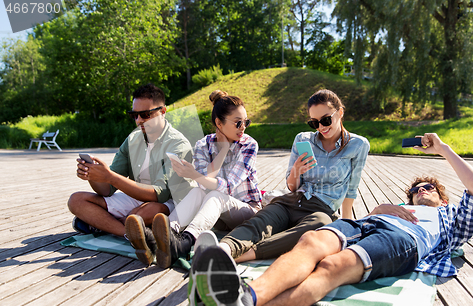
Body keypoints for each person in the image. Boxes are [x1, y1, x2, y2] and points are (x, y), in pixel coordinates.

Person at [189, 133, 473, 306]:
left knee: (333, 266)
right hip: (366, 224)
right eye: (415, 189)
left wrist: (442, 149)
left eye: (429, 188)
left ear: (443, 198)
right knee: (311, 241)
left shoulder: (451, 218)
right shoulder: (396, 206)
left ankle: (244, 302)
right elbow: (364, 216)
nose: (421, 191)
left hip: (404, 241)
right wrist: (382, 207)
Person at [216, 89, 370, 263]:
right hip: (291, 201)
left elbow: (351, 189)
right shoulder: (303, 139)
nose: (321, 127)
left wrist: (347, 225)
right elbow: (292, 187)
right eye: (314, 123)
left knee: (320, 225)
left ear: (340, 112)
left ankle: (243, 256)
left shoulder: (358, 145)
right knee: (259, 222)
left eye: (326, 120)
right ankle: (223, 249)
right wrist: (297, 170)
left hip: (321, 210)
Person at [125, 90, 262, 269]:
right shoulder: (203, 145)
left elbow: (227, 187)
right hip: (215, 217)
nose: (243, 127)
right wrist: (222, 150)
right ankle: (166, 236)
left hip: (246, 211)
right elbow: (203, 183)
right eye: (238, 123)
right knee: (197, 191)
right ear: (219, 123)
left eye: (246, 122)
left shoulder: (248, 145)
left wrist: (196, 174)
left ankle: (184, 243)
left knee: (215, 195)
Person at [67, 83, 196, 240]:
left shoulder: (178, 145)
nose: (139, 120)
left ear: (163, 111)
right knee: (76, 200)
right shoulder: (133, 139)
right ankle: (129, 233)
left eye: (145, 114)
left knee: (141, 214)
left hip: (171, 202)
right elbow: (107, 189)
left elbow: (160, 195)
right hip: (137, 197)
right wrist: (93, 176)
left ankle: (109, 224)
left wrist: (110, 177)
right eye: (134, 115)